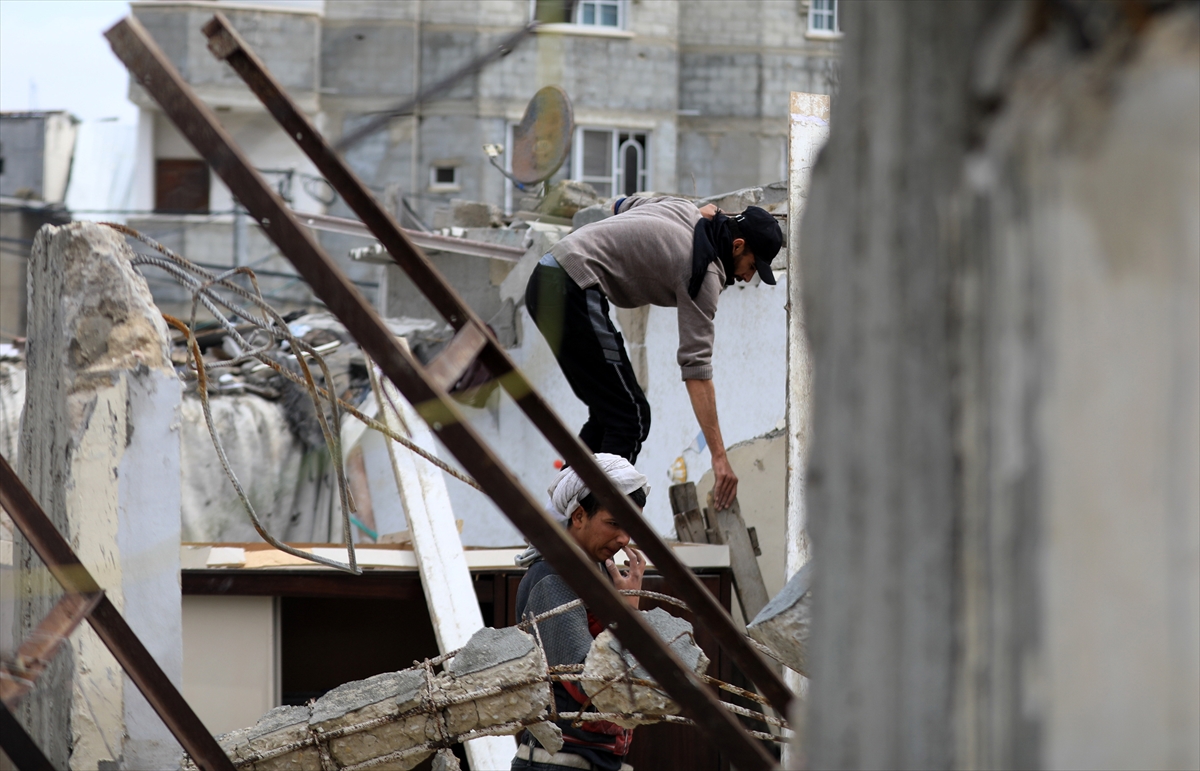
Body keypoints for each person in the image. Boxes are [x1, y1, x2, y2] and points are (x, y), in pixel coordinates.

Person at [524, 196, 782, 510]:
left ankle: (559, 515)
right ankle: (593, 521)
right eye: (752, 266)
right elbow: (696, 368)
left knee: (611, 415)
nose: (748, 277)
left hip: (549, 278)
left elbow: (620, 205)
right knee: (630, 418)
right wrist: (718, 456)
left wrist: (693, 210)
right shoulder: (705, 273)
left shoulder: (683, 208)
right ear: (738, 246)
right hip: (570, 288)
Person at [511, 454, 650, 771]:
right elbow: (590, 684)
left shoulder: (596, 573)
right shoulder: (553, 578)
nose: (624, 538)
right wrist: (628, 612)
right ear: (578, 516)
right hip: (560, 762)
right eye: (613, 523)